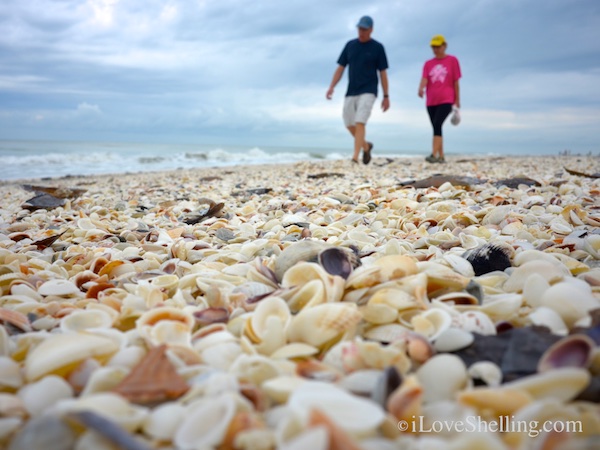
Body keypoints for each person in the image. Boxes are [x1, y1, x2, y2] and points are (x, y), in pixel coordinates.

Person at [326, 15, 390, 165]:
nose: (361, 32)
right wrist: (331, 87)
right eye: (359, 28)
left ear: (371, 30)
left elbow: (383, 73)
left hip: (369, 90)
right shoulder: (350, 45)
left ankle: (355, 157)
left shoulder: (378, 48)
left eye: (364, 29)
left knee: (360, 122)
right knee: (349, 124)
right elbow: (340, 68)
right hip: (351, 91)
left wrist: (386, 96)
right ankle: (366, 146)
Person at [418, 34, 461, 163]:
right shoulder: (428, 63)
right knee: (437, 127)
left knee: (437, 124)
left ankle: (434, 155)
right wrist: (421, 88)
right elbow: (425, 78)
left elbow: (456, 81)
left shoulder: (452, 60)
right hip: (431, 101)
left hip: (447, 99)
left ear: (444, 46)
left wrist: (457, 100)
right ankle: (441, 156)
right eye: (433, 47)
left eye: (438, 46)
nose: (435, 49)